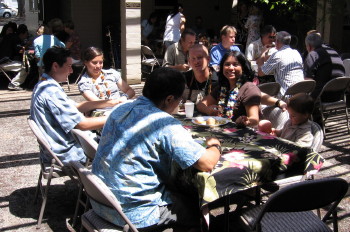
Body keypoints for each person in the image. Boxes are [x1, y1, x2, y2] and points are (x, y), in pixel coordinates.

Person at [91, 67, 222, 231]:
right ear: (169, 99)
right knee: (198, 210)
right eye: (179, 100)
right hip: (134, 213)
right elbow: (207, 163)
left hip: (101, 200)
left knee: (179, 190)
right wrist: (215, 145)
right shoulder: (163, 123)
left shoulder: (121, 108)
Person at [30, 47, 124, 165]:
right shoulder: (51, 92)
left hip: (57, 147)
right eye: (69, 66)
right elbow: (82, 124)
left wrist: (111, 102)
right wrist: (118, 115)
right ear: (55, 66)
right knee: (124, 144)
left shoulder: (44, 84)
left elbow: (77, 106)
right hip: (68, 152)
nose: (71, 71)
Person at [197, 51, 261, 127]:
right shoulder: (222, 87)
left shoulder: (249, 88)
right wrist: (208, 110)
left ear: (243, 68)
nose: (231, 68)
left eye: (235, 64)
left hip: (243, 133)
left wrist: (245, 121)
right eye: (227, 64)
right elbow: (200, 104)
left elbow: (254, 119)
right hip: (222, 130)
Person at [257, 31, 304, 97]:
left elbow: (260, 73)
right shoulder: (296, 53)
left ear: (277, 41)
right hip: (301, 94)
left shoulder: (277, 55)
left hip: (286, 95)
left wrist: (262, 53)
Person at [304, 32, 345, 100]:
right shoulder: (333, 51)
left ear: (309, 46)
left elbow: (308, 81)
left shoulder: (313, 54)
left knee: (296, 99)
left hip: (322, 96)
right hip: (339, 95)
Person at [7, 24, 31, 90]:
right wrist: (27, 45)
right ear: (22, 34)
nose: (26, 37)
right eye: (26, 34)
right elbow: (19, 51)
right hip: (5, 62)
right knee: (26, 67)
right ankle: (14, 84)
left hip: (4, 60)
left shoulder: (10, 36)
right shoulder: (16, 39)